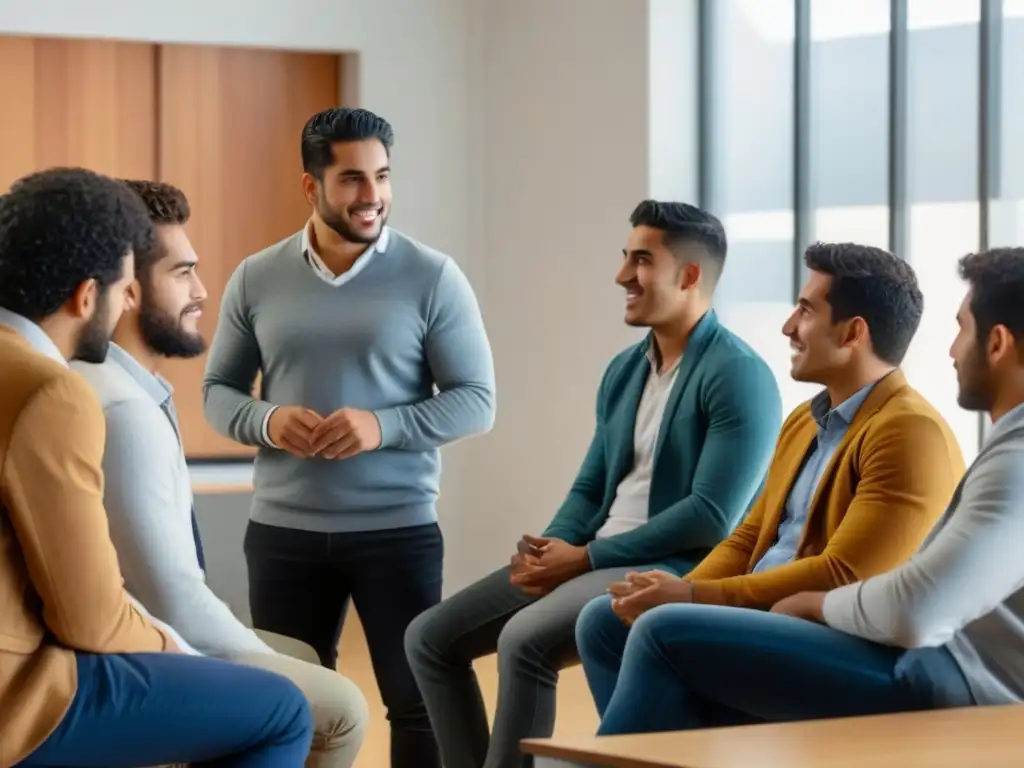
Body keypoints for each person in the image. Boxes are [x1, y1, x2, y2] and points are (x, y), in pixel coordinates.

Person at [578, 246, 1024, 735]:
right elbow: (748, 538)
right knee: (605, 622)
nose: (788, 326)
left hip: (880, 652)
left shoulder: (915, 433)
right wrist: (678, 594)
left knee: (660, 631)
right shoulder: (803, 422)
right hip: (801, 622)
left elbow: (849, 576)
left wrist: (691, 595)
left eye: (807, 310)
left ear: (853, 332)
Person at [404, 200, 783, 768]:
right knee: (430, 638)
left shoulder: (739, 375)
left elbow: (710, 516)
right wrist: (547, 550)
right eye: (624, 257)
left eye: (641, 260)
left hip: (673, 565)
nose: (622, 275)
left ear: (689, 276)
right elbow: (590, 487)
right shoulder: (626, 370)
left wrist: (582, 558)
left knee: (522, 642)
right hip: (592, 556)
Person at [202, 107, 495, 768]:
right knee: (288, 701)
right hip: (282, 533)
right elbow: (217, 394)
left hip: (398, 530)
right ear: (311, 186)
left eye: (383, 177)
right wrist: (269, 420)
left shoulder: (432, 276)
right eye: (353, 179)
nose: (373, 196)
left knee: (415, 702)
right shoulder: (256, 276)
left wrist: (382, 426)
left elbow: (478, 402)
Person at [0, 167, 313, 768]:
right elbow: (88, 616)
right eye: (121, 287)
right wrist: (176, 647)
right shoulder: (49, 392)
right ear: (86, 296)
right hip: (18, 700)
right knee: (282, 710)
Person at [71, 179, 370, 768]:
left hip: (144, 631)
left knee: (303, 654)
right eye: (182, 274)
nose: (203, 291)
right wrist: (256, 656)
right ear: (129, 290)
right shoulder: (123, 410)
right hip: (138, 651)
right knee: (341, 709)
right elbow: (170, 600)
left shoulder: (128, 389)